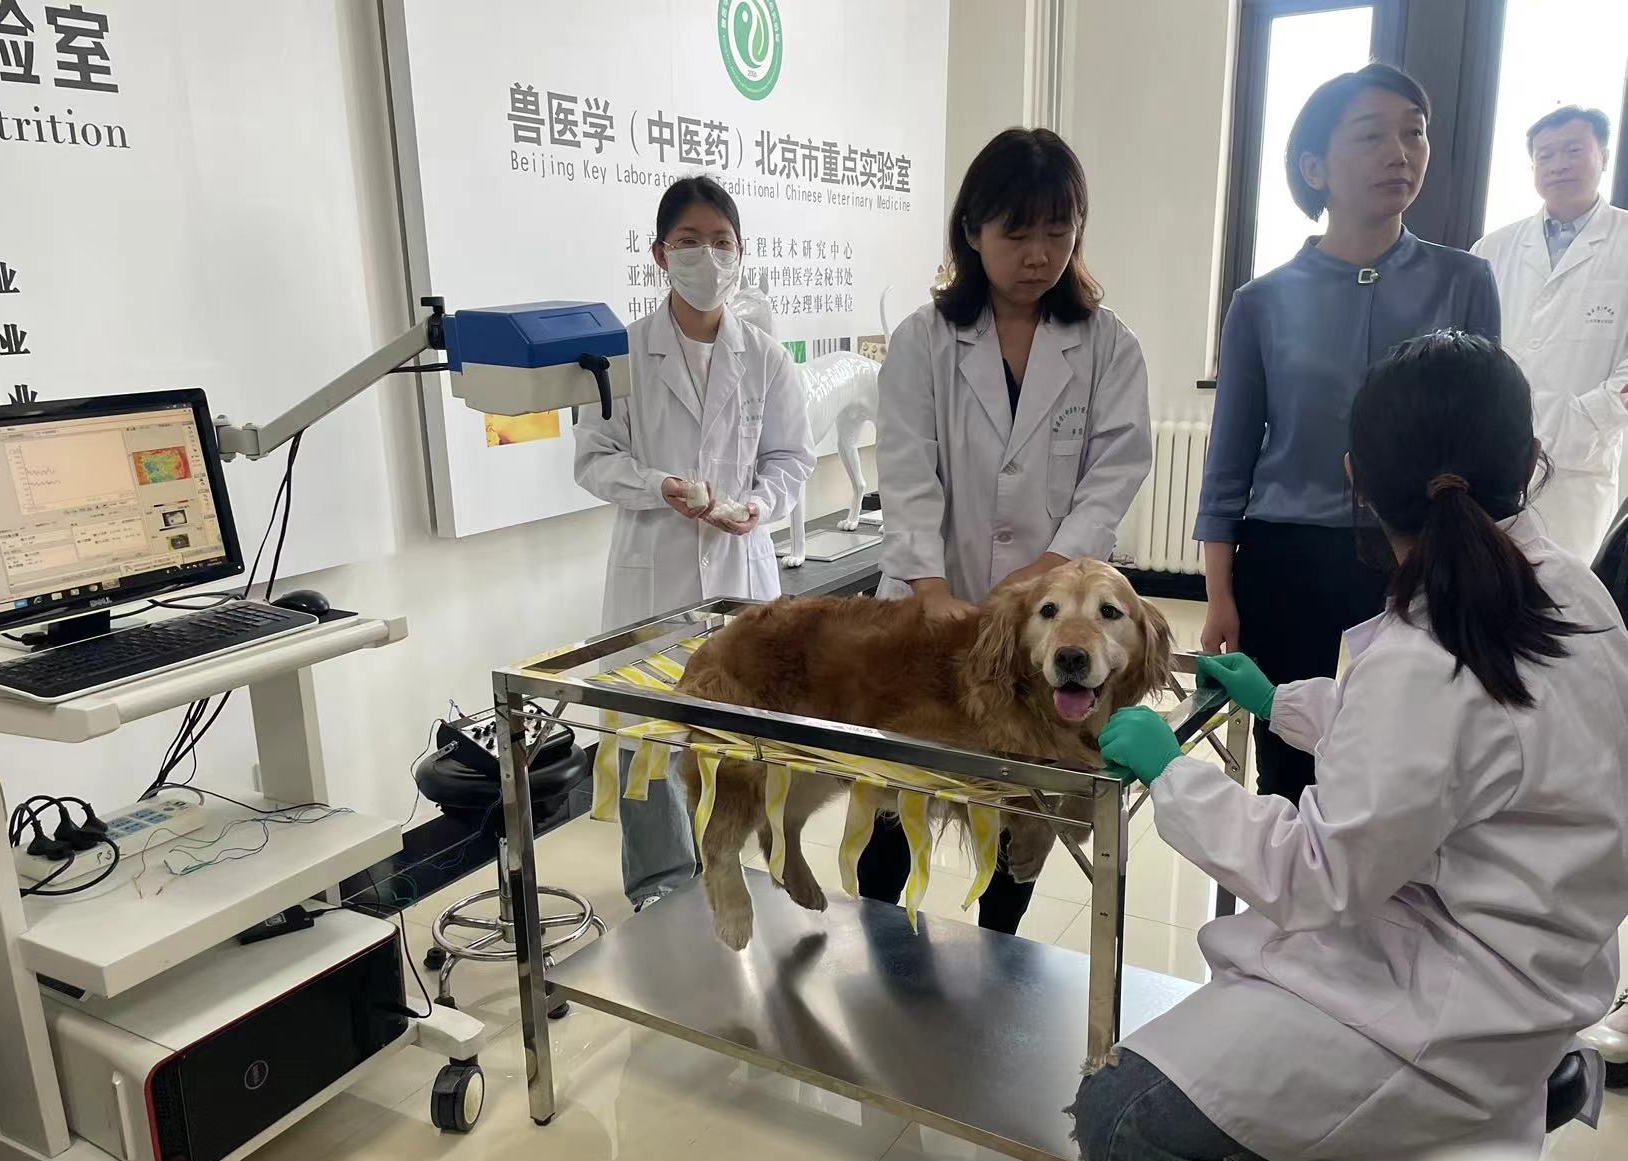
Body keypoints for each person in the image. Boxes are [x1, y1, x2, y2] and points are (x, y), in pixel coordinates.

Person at [1077, 331, 1628, 1161]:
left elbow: (1318, 875)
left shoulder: (1431, 652)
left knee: (1126, 1113)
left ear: (1354, 482)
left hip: (1450, 1016)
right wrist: (1281, 703)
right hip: (1534, 970)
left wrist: (1177, 774)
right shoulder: (1572, 592)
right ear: (1531, 458)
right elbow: (1442, 757)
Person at [862, 127, 1152, 934]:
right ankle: (877, 946)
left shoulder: (1108, 345)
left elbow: (1115, 470)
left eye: (1059, 231)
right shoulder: (924, 340)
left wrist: (1047, 575)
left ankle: (999, 950)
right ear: (972, 231)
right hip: (931, 607)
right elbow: (907, 469)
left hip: (1047, 621)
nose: (1039, 254)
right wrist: (928, 589)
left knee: (1026, 801)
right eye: (1016, 233)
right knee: (899, 795)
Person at [1196, 65, 1501, 807]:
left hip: (1423, 552)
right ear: (1314, 167)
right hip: (1288, 555)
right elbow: (1229, 460)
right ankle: (1291, 883)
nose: (1400, 153)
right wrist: (1219, 593)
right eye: (1370, 136)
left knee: (1411, 759)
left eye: (1413, 133)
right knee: (1289, 759)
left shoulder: (1465, 283)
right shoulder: (1262, 302)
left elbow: (1487, 437)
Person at [575, 176, 814, 909]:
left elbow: (791, 458)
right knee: (648, 733)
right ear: (659, 253)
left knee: (744, 734)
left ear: (741, 253)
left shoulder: (765, 357)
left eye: (721, 242)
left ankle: (741, 870)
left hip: (741, 564)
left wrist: (759, 505)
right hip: (654, 565)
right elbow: (594, 458)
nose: (707, 257)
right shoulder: (620, 354)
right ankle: (659, 885)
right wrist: (659, 487)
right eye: (689, 241)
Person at [1473, 105, 1628, 561]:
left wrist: (1589, 418)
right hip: (1494, 452)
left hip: (1580, 463)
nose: (1559, 164)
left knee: (1564, 588)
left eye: (1573, 150)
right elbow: (1468, 345)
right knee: (1489, 579)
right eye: (1546, 155)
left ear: (1602, 155)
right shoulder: (1493, 249)